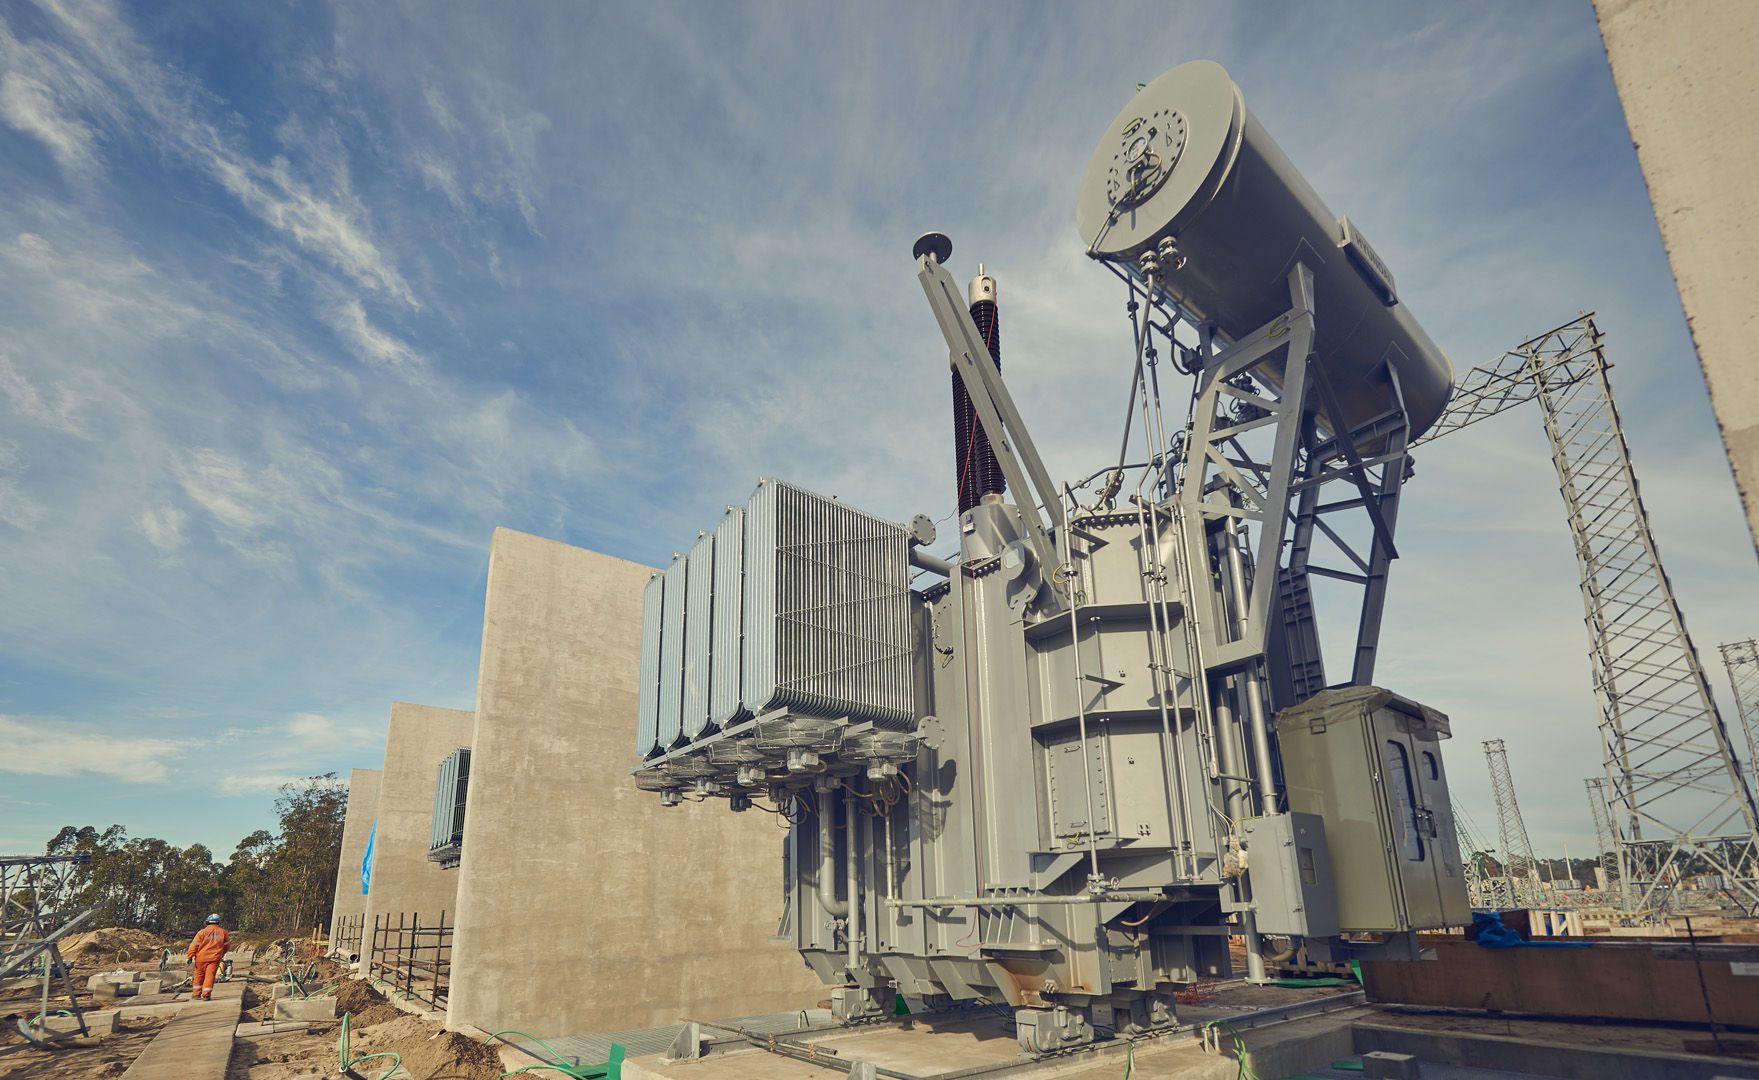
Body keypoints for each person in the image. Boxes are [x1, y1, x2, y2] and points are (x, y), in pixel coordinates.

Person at [187, 914, 230, 1000]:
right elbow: (226, 946)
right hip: (214, 959)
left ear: (207, 922)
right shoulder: (223, 932)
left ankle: (196, 994)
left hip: (200, 958)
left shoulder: (201, 932)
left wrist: (190, 956)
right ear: (218, 922)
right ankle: (206, 995)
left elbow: (194, 945)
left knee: (198, 975)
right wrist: (221, 954)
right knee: (210, 976)